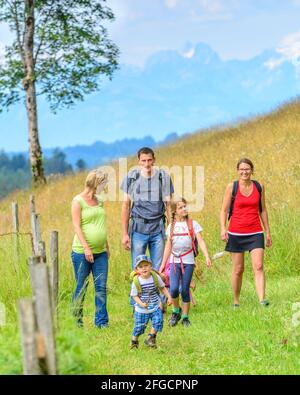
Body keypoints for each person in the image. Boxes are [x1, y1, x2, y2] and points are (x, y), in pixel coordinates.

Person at [121, 147, 174, 306]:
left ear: (154, 159)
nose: (147, 164)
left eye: (149, 160)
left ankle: (160, 305)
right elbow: (126, 205)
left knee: (159, 269)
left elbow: (168, 204)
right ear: (138, 161)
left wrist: (171, 228)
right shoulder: (131, 177)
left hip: (158, 228)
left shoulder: (163, 177)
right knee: (138, 269)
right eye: (143, 160)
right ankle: (137, 306)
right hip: (138, 228)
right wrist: (124, 234)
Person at [220, 158, 272, 308]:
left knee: (259, 266)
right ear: (238, 171)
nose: (244, 172)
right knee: (238, 269)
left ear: (252, 170)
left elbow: (263, 209)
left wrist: (267, 232)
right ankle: (236, 301)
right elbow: (223, 210)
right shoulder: (232, 187)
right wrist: (223, 228)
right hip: (236, 233)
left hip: (255, 231)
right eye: (241, 169)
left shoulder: (259, 186)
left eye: (247, 169)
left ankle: (262, 300)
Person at [159, 197, 212, 327]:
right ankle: (176, 311)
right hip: (174, 261)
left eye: (185, 206)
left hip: (188, 262)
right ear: (174, 211)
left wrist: (207, 256)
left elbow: (200, 241)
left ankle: (185, 317)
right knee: (174, 289)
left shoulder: (193, 224)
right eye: (181, 207)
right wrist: (162, 265)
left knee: (185, 290)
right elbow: (168, 246)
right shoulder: (171, 227)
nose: (184, 209)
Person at [71, 169, 110, 328]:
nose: (105, 186)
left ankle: (101, 322)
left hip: (100, 252)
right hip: (82, 252)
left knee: (101, 287)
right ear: (96, 183)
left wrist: (106, 244)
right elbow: (76, 226)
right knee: (81, 287)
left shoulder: (100, 200)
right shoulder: (77, 201)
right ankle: (77, 322)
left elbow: (100, 224)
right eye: (103, 183)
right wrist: (86, 248)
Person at [130, 254, 171, 349]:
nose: (144, 268)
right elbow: (134, 296)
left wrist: (169, 297)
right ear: (137, 270)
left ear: (150, 266)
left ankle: (150, 338)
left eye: (146, 266)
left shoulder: (155, 277)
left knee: (158, 321)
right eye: (141, 267)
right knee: (139, 327)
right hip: (141, 309)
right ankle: (134, 341)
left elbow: (162, 288)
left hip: (155, 306)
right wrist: (141, 304)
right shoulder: (136, 281)